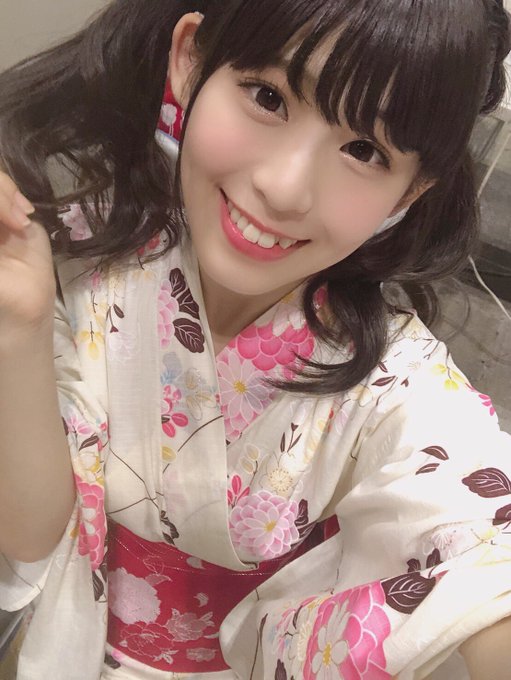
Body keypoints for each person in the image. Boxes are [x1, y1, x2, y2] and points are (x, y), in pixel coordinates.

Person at [0, 0, 510, 678]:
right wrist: (19, 328)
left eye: (364, 151)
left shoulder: (396, 381)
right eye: (268, 97)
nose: (283, 187)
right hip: (67, 644)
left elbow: (484, 548)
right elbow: (30, 534)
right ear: (189, 60)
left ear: (410, 191)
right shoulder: (74, 258)